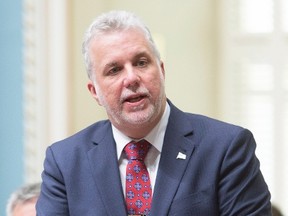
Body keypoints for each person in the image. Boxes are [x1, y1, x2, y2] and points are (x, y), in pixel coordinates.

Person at [36, 10, 271, 215]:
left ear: (161, 71)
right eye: (114, 69)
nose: (131, 78)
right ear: (94, 92)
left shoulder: (226, 148)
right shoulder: (65, 163)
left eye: (141, 62)